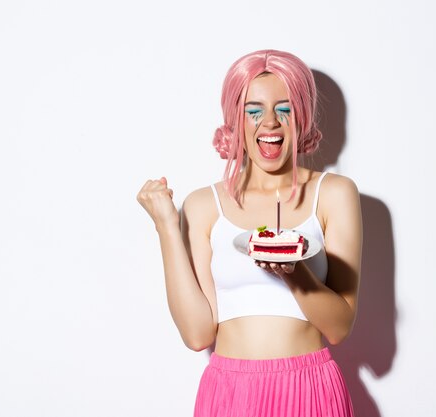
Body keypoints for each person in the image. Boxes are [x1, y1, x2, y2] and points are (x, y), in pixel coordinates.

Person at [137, 49, 362, 417]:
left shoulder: (334, 194)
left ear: (302, 117)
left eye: (285, 109)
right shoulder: (203, 205)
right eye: (253, 110)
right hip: (230, 393)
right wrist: (165, 225)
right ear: (235, 120)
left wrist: (293, 271)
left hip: (309, 388)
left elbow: (339, 328)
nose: (269, 123)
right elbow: (197, 335)